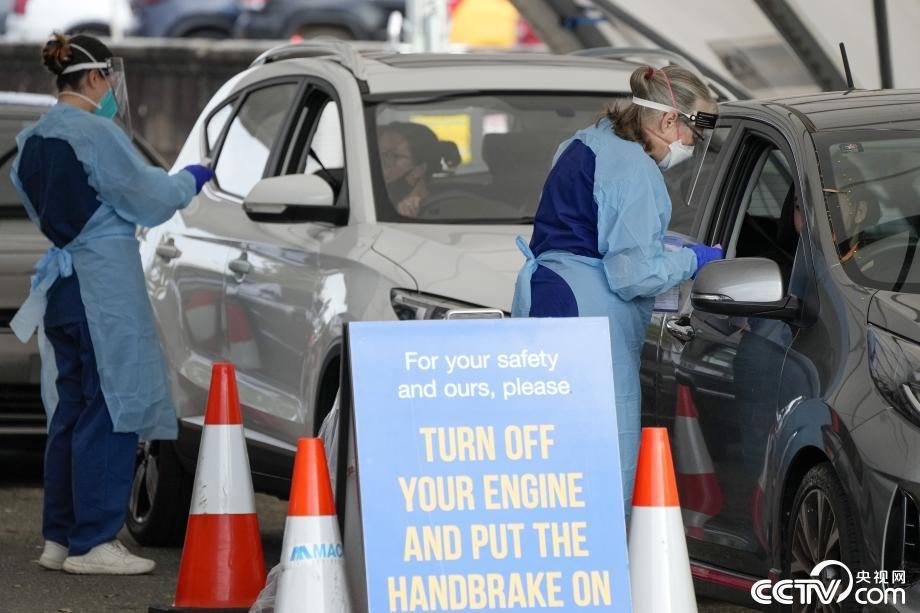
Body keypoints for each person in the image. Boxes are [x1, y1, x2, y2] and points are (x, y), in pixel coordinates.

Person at [9, 33, 213, 575]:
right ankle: (93, 543)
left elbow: (36, 202)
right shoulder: (96, 133)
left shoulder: (31, 139)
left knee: (71, 412)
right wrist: (189, 181)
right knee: (111, 407)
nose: (112, 90)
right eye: (109, 80)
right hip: (104, 286)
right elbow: (146, 197)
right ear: (97, 78)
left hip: (62, 288)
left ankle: (59, 537)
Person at [512, 65, 724, 520]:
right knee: (602, 454)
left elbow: (589, 229)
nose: (694, 144)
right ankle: (600, 572)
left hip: (547, 300)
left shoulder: (585, 142)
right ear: (669, 121)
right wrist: (694, 260)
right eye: (696, 130)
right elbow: (633, 274)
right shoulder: (635, 169)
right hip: (588, 319)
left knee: (551, 452)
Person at [378, 122, 441, 217]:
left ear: (419, 170)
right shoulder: (375, 204)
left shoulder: (441, 209)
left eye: (389, 156)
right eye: (378, 154)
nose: (379, 162)